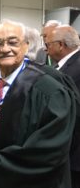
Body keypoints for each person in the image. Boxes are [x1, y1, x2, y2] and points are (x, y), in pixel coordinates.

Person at [0, 20, 76, 188]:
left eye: (13, 42)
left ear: (26, 46)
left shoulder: (50, 90)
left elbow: (48, 149)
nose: (5, 49)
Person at [44, 25, 80, 188]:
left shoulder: (75, 68)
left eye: (48, 44)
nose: (45, 50)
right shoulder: (64, 66)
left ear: (61, 45)